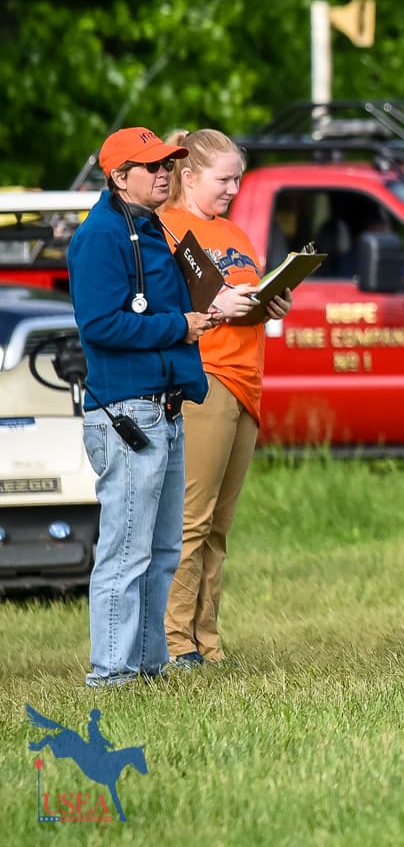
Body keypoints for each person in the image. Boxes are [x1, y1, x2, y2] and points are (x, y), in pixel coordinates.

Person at [69, 127, 213, 687]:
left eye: (167, 164)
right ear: (118, 176)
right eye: (152, 166)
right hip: (127, 414)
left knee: (162, 550)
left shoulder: (153, 227)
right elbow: (100, 325)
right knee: (126, 552)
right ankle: (112, 674)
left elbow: (170, 304)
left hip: (164, 409)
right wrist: (180, 326)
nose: (164, 173)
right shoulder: (100, 236)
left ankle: (149, 668)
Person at [158, 128, 290, 668]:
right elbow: (170, 305)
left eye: (239, 178)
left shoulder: (235, 232)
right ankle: (174, 642)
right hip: (205, 378)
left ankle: (207, 640)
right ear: (189, 177)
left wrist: (269, 302)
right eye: (224, 179)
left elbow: (242, 300)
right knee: (191, 519)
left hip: (246, 382)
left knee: (219, 526)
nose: (234, 188)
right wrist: (219, 307)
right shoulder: (168, 226)